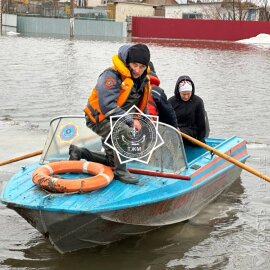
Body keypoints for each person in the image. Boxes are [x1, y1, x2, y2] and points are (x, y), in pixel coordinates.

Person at [69, 43, 151, 184]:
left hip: (117, 119)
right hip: (98, 117)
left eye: (142, 67)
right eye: (135, 65)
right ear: (128, 62)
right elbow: (107, 106)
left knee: (111, 160)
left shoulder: (142, 80)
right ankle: (121, 172)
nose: (138, 70)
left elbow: (141, 106)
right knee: (124, 132)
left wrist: (146, 122)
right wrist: (131, 122)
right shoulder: (111, 75)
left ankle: (80, 152)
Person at [168, 75, 209, 145]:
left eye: (188, 94)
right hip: (175, 130)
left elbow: (201, 122)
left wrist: (201, 139)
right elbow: (167, 118)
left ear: (192, 92)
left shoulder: (198, 101)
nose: (186, 96)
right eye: (183, 94)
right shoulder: (171, 102)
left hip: (191, 130)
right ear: (179, 92)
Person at [147, 62, 178, 128]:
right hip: (151, 127)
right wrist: (175, 127)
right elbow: (169, 113)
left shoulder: (130, 88)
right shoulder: (157, 91)